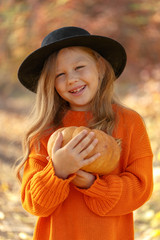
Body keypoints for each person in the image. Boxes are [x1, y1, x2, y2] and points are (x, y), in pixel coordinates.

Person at [17, 26, 153, 240]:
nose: (71, 79)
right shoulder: (46, 132)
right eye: (59, 74)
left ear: (99, 68)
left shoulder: (129, 123)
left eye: (79, 67)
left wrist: (92, 184)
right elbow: (34, 204)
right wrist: (58, 171)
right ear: (50, 84)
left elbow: (140, 189)